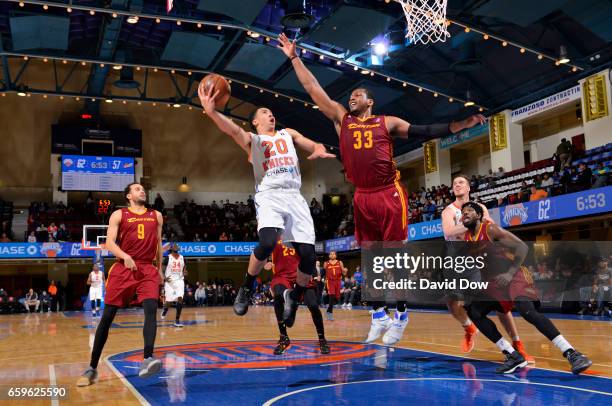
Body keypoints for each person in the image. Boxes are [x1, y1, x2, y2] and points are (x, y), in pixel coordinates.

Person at [277, 32, 486, 345]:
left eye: (358, 95)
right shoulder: (341, 119)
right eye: (350, 96)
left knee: (393, 256)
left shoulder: (386, 122)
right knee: (370, 258)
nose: (352, 99)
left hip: (388, 192)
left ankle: (401, 314)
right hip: (362, 195)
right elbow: (312, 88)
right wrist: (294, 57)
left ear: (370, 101)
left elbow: (424, 130)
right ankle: (377, 315)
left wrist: (458, 125)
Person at [198, 83, 335, 328]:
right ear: (255, 122)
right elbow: (233, 131)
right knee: (268, 241)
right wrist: (212, 113)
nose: (270, 114)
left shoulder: (287, 133)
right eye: (263, 112)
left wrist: (318, 148)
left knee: (307, 257)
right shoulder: (254, 140)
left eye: (271, 111)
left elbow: (307, 142)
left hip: (295, 196)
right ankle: (247, 287)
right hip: (270, 194)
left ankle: (294, 296)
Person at [461, 201, 592, 374]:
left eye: (470, 210)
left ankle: (572, 353)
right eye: (463, 212)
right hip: (495, 282)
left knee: (526, 310)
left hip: (514, 275)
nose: (465, 213)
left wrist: (509, 274)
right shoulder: (467, 239)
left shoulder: (491, 230)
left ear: (478, 215)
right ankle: (512, 355)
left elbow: (522, 247)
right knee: (473, 310)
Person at [77, 183, 164, 386]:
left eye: (143, 189)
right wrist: (125, 256)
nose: (141, 191)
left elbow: (159, 243)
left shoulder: (156, 215)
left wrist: (159, 268)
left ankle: (147, 359)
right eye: (137, 189)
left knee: (151, 308)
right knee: (107, 317)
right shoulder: (119, 214)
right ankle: (92, 368)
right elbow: (109, 243)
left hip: (147, 269)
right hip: (123, 267)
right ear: (128, 196)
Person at [441, 174, 533, 362]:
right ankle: (468, 327)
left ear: (468, 188)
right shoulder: (448, 211)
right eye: (454, 183)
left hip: (478, 258)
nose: (457, 185)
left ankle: (516, 343)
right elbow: (449, 232)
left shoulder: (480, 207)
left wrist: (471, 227)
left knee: (500, 303)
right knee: (451, 301)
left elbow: (488, 227)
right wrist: (472, 224)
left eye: (461, 183)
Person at [266, 239, 329, 355]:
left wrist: (314, 273)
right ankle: (284, 338)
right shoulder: (273, 233)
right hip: (282, 275)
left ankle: (322, 339)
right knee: (278, 298)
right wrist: (267, 261)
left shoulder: (299, 233)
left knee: (313, 306)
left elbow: (310, 254)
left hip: (301, 273)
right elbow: (263, 251)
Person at [161, 243, 187, 327]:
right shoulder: (168, 258)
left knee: (180, 299)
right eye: (174, 246)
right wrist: (164, 278)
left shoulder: (183, 258)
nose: (176, 247)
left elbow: (185, 269)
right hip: (170, 281)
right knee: (169, 301)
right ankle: (165, 309)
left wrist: (185, 272)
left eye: (177, 246)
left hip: (179, 280)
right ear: (172, 249)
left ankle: (177, 320)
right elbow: (162, 269)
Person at [324, 252, 343, 320]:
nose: (332, 255)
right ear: (329, 256)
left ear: (336, 255)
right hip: (330, 281)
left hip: (338, 281)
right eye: (330, 254)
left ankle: (328, 310)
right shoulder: (326, 263)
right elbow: (324, 272)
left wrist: (345, 271)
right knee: (331, 295)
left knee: (336, 297)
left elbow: (343, 271)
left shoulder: (339, 262)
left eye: (333, 254)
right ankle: (330, 313)